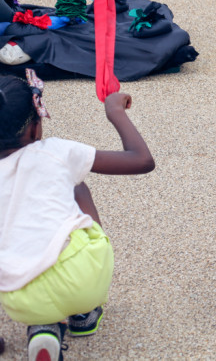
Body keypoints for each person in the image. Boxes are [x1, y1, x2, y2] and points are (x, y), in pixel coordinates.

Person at [0, 74, 154, 358]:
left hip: (19, 297)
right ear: (35, 128)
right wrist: (115, 112)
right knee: (77, 183)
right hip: (84, 280)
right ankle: (83, 314)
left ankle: (43, 326)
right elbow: (142, 160)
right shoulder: (56, 152)